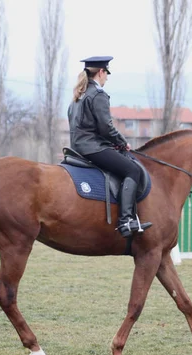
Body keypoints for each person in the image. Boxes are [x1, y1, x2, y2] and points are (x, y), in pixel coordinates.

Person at [67, 56, 151, 237]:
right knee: (132, 170)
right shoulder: (98, 95)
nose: (107, 79)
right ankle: (126, 220)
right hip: (93, 148)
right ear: (101, 72)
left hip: (78, 147)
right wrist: (122, 143)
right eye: (106, 74)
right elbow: (105, 127)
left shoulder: (78, 95)